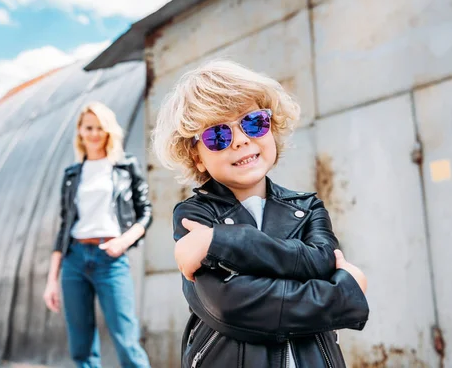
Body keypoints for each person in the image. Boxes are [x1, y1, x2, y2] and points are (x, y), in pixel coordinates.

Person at [152, 60, 369, 368]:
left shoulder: (307, 207)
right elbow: (230, 305)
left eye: (253, 122)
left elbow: (321, 261)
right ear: (196, 157)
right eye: (218, 135)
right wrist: (342, 296)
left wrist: (221, 243)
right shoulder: (193, 215)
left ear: (271, 129)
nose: (241, 139)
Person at [43, 102, 151, 368]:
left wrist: (124, 241)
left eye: (99, 127)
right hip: (74, 260)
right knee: (80, 346)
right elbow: (64, 226)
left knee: (127, 340)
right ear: (80, 131)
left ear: (109, 131)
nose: (93, 133)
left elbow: (145, 213)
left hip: (110, 259)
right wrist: (51, 280)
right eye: (88, 127)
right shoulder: (72, 174)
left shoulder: (126, 167)